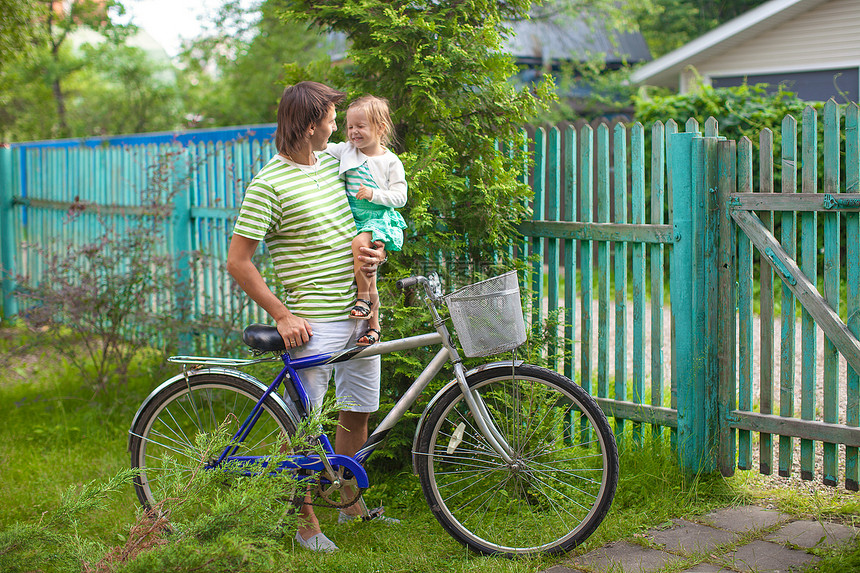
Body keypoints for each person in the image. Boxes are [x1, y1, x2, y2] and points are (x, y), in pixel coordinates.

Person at [226, 81, 388, 553]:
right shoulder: (268, 184)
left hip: (359, 312)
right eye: (332, 118)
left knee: (358, 411)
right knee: (301, 429)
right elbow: (238, 261)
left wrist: (373, 252)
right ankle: (304, 525)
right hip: (312, 322)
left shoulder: (336, 164)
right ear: (310, 124)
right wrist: (280, 314)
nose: (339, 125)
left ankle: (349, 500)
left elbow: (367, 200)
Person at [325, 95, 407, 346]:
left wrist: (374, 194)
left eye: (360, 126)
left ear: (380, 128)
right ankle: (374, 327)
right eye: (350, 126)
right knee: (369, 275)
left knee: (361, 247)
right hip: (356, 219)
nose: (353, 132)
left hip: (378, 218)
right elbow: (321, 147)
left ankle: (362, 300)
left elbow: (401, 197)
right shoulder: (347, 150)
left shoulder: (390, 161)